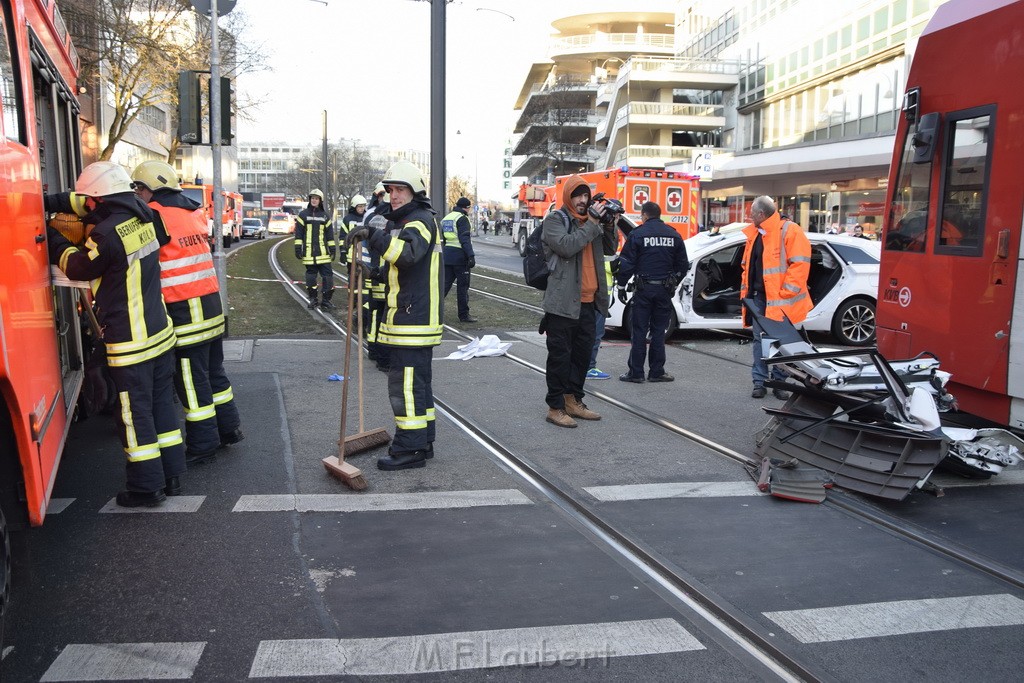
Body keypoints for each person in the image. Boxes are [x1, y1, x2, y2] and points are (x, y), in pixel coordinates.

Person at [45, 162, 184, 507]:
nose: (87, 207)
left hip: (130, 342)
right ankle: (171, 476)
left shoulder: (105, 234)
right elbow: (100, 201)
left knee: (134, 417)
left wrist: (53, 238)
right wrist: (53, 201)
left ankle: (145, 488)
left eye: (90, 202)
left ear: (98, 199)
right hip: (160, 333)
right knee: (161, 408)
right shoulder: (149, 216)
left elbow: (78, 267)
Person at [130, 160, 243, 466]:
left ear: (149, 188)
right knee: (215, 373)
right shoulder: (194, 211)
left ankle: (203, 445)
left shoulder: (154, 216)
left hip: (184, 312)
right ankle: (229, 429)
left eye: (138, 188)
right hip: (210, 307)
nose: (137, 194)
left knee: (192, 385)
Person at [345, 161, 443, 470]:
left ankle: (409, 449)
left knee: (405, 385)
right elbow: (397, 270)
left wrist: (373, 237)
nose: (394, 196)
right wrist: (371, 271)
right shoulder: (407, 221)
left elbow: (408, 255)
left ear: (415, 191)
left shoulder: (421, 220)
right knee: (418, 384)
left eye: (400, 189)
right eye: (390, 190)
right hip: (412, 317)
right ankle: (422, 441)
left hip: (412, 319)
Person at [540, 176, 618, 428]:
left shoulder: (591, 224)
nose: (583, 201)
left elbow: (610, 247)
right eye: (578, 196)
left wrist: (609, 223)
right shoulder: (556, 220)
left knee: (582, 358)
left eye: (586, 196)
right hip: (562, 304)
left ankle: (573, 401)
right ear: (568, 197)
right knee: (560, 359)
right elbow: (566, 246)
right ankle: (555, 407)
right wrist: (593, 223)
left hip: (589, 303)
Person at [741, 195, 812, 399]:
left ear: (761, 214)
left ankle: (779, 382)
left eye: (752, 213)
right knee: (760, 341)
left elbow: (800, 265)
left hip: (779, 300)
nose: (750, 217)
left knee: (780, 342)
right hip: (759, 298)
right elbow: (747, 266)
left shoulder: (789, 230)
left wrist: (785, 293)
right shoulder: (757, 233)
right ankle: (760, 382)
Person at [615, 202, 689, 383]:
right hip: (664, 290)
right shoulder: (673, 234)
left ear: (644, 216)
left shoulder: (638, 234)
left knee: (639, 330)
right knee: (658, 331)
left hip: (643, 289)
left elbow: (626, 263)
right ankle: (657, 372)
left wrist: (622, 286)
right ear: (659, 214)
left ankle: (636, 373)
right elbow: (683, 265)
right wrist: (673, 283)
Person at [361, 183, 392, 372]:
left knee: (375, 314)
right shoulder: (395, 220)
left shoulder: (372, 217)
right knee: (383, 317)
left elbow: (367, 244)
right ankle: (381, 356)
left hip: (375, 273)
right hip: (385, 275)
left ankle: (374, 350)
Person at [294, 189, 337, 310]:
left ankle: (326, 301)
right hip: (309, 253)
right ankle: (313, 299)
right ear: (310, 199)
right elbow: (299, 234)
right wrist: (298, 248)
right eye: (312, 198)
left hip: (323, 253)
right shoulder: (303, 215)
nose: (314, 200)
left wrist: (332, 248)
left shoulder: (325, 216)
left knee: (328, 277)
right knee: (311, 278)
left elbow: (329, 235)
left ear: (320, 201)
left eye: (316, 198)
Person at [441, 196, 478, 323]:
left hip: (447, 256)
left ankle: (435, 311)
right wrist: (471, 255)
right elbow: (464, 239)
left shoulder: (447, 218)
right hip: (460, 257)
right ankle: (464, 315)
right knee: (462, 287)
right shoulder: (462, 219)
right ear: (466, 208)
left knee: (444, 286)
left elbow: (444, 239)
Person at [585, 255, 616, 380]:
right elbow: (612, 266)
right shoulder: (604, 244)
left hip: (591, 291)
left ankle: (581, 365)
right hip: (600, 293)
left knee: (586, 331)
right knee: (596, 332)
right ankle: (590, 367)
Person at [339, 194, 367, 265]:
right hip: (351, 257)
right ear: (354, 206)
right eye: (360, 206)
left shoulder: (367, 217)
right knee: (351, 275)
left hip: (365, 257)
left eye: (363, 206)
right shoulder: (347, 219)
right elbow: (343, 237)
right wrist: (343, 251)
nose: (362, 208)